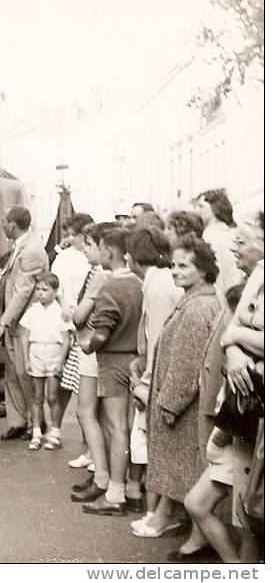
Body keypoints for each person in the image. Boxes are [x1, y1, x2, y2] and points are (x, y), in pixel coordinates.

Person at [142, 236, 222, 540]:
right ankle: (174, 523)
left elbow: (186, 364)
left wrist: (168, 404)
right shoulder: (194, 301)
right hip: (181, 405)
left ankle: (182, 531)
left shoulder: (197, 308)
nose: (175, 271)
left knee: (182, 469)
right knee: (181, 470)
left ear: (202, 270)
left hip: (180, 408)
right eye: (173, 265)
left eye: (184, 266)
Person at [176, 283, 244, 563]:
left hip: (236, 443)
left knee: (204, 505)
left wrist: (223, 434)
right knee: (198, 503)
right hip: (228, 442)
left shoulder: (242, 348)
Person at [79, 228, 143, 516]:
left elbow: (101, 334)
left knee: (116, 428)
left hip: (113, 362)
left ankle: (114, 493)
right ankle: (132, 487)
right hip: (135, 358)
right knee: (131, 427)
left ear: (109, 253)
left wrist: (87, 345)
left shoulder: (109, 288)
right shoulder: (140, 283)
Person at [124, 227, 183, 533]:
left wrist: (145, 383)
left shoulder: (158, 287)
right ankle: (156, 512)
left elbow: (159, 338)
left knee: (150, 445)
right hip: (152, 371)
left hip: (157, 379)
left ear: (136, 255)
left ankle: (160, 515)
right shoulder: (156, 282)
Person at [216, 213, 264, 562]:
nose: (234, 248)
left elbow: (233, 331)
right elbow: (229, 330)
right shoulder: (260, 272)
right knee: (250, 498)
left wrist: (234, 337)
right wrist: (233, 352)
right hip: (252, 401)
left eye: (242, 241)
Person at [0, 205, 49, 440]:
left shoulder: (30, 250)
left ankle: (35, 422)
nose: (1, 225)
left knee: (25, 372)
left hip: (24, 323)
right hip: (15, 322)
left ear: (12, 225)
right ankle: (19, 420)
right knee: (12, 372)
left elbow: (24, 291)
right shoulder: (20, 246)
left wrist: (2, 323)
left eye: (3, 221)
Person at [68, 222, 114, 488]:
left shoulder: (100, 277)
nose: (85, 249)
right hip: (101, 348)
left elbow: (79, 316)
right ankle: (100, 467)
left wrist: (77, 310)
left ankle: (101, 474)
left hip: (92, 347)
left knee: (87, 412)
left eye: (89, 245)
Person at [51, 213, 94, 449]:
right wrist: (65, 306)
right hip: (67, 320)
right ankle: (55, 429)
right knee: (62, 378)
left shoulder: (91, 256)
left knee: (85, 383)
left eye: (73, 234)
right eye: (67, 234)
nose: (70, 239)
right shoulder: (63, 258)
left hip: (86, 321)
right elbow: (56, 287)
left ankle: (89, 441)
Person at [18, 272, 72, 450]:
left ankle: (55, 433)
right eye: (38, 289)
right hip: (36, 352)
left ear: (55, 291)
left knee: (53, 396)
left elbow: (66, 340)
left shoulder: (60, 312)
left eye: (45, 290)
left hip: (54, 353)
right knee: (36, 396)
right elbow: (25, 337)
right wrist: (26, 359)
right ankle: (36, 432)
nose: (40, 293)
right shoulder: (33, 310)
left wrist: (61, 361)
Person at [194, 188, 243, 302]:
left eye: (201, 206)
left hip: (216, 299)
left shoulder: (209, 238)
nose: (197, 211)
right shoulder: (231, 236)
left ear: (215, 208)